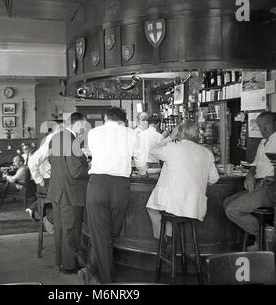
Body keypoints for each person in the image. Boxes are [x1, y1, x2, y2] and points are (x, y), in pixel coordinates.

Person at [78, 107, 147, 284]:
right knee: (111, 233)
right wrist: (142, 171)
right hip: (120, 187)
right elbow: (140, 162)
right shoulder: (132, 134)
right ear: (123, 120)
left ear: (106, 118)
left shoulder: (93, 133)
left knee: (102, 235)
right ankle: (102, 276)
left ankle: (95, 272)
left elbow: (90, 154)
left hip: (97, 185)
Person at [224, 112, 276, 250]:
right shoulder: (263, 142)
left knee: (232, 210)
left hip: (271, 187)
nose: (262, 130)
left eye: (266, 125)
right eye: (260, 126)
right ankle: (263, 236)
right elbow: (255, 164)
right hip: (258, 184)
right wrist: (250, 175)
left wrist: (275, 177)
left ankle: (263, 238)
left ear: (275, 124)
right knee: (227, 202)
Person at [146, 120, 220, 239]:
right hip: (195, 207)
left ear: (179, 132)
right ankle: (170, 239)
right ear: (196, 134)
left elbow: (153, 151)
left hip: (173, 204)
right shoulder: (206, 152)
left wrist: (170, 137)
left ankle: (165, 242)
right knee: (168, 211)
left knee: (153, 209)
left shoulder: (172, 147)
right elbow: (214, 179)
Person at [47, 112, 90, 274]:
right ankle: (70, 265)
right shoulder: (71, 141)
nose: (83, 129)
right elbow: (76, 171)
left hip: (57, 190)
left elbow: (53, 161)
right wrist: (90, 168)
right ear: (77, 124)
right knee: (71, 230)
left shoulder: (55, 138)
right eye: (83, 126)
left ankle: (61, 262)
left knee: (60, 229)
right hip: (71, 192)